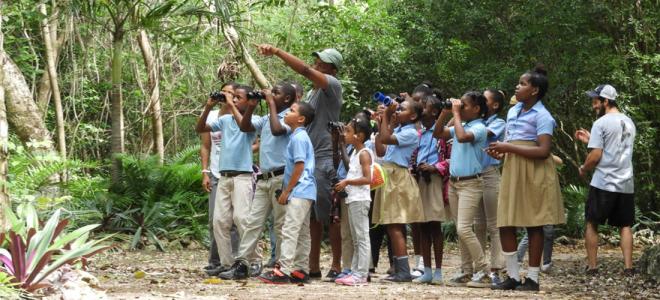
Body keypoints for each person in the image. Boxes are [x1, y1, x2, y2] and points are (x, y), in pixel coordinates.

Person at [257, 44, 344, 280]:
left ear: (332, 70)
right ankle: (308, 267)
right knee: (310, 218)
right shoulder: (311, 96)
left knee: (331, 215)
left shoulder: (332, 86)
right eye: (316, 61)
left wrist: (277, 51)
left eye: (322, 63)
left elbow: (304, 70)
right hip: (310, 159)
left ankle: (337, 265)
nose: (316, 65)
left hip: (325, 157)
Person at [487, 65, 565, 291]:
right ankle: (512, 275)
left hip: (534, 170)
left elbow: (543, 151)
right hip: (512, 167)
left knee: (534, 223)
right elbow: (511, 142)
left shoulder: (543, 116)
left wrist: (508, 147)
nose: (517, 87)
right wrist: (500, 152)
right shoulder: (513, 111)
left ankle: (532, 278)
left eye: (522, 84)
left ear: (534, 90)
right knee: (506, 220)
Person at [218, 82, 297, 280]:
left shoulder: (289, 119)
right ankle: (242, 264)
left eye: (276, 92)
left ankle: (281, 266)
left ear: (286, 99)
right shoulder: (263, 118)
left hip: (281, 177)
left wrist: (269, 102)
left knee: (280, 225)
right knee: (252, 222)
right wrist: (251, 105)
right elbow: (245, 127)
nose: (271, 94)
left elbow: (278, 130)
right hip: (263, 178)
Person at [195, 85, 259, 276]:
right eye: (234, 97)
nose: (234, 100)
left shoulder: (253, 120)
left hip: (242, 176)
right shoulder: (223, 120)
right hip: (223, 176)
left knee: (242, 219)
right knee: (219, 221)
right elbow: (200, 128)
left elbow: (243, 126)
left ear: (249, 101)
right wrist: (208, 107)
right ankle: (227, 263)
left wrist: (230, 105)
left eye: (239, 97)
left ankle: (252, 261)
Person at [575, 84, 636, 277]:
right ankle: (628, 267)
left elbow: (596, 155)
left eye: (595, 101)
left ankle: (593, 267)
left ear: (606, 101)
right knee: (625, 225)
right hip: (626, 182)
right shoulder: (629, 122)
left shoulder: (601, 123)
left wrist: (584, 168)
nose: (593, 105)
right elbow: (615, 147)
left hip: (604, 182)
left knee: (592, 222)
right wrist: (591, 139)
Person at [433, 91, 490, 288]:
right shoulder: (462, 124)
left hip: (471, 183)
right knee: (461, 229)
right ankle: (466, 271)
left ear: (476, 109)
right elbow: (437, 133)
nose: (461, 107)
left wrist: (455, 114)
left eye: (464, 105)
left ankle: (484, 272)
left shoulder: (480, 127)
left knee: (464, 228)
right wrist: (445, 112)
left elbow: (463, 137)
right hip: (455, 183)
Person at [258, 102, 317, 284]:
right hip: (307, 190)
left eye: (292, 110)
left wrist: (287, 191)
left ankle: (283, 270)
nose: (287, 112)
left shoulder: (299, 138)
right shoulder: (297, 136)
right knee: (303, 232)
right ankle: (300, 269)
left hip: (300, 189)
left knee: (290, 229)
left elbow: (299, 166)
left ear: (301, 119)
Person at [373, 100, 424, 282]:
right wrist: (382, 123)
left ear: (413, 116)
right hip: (390, 175)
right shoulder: (400, 131)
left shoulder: (410, 133)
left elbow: (386, 139)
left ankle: (403, 271)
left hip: (397, 177)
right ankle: (398, 268)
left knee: (394, 224)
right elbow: (380, 150)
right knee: (391, 224)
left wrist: (387, 115)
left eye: (402, 109)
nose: (397, 110)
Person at [200, 82, 240, 273]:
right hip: (216, 172)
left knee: (233, 220)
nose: (225, 95)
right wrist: (205, 171)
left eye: (230, 93)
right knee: (214, 219)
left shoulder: (240, 115)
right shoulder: (213, 116)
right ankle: (215, 260)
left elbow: (255, 142)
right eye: (223, 92)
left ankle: (232, 261)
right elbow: (205, 145)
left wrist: (242, 151)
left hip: (237, 171)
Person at [333, 114, 374, 286]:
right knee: (357, 238)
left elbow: (368, 178)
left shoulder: (364, 153)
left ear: (360, 135)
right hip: (353, 199)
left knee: (362, 237)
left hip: (360, 199)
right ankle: (356, 272)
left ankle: (361, 274)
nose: (345, 134)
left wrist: (347, 181)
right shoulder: (356, 153)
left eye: (349, 131)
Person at [412, 94, 447, 285]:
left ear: (434, 112)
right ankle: (426, 270)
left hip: (434, 180)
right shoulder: (419, 133)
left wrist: (435, 167)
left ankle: (439, 271)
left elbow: (450, 157)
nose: (419, 107)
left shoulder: (443, 133)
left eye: (423, 105)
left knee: (434, 226)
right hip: (420, 180)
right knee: (422, 226)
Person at [474, 89, 506, 284]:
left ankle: (496, 268)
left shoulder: (498, 123)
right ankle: (481, 268)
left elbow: (483, 134)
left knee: (494, 225)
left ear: (494, 105)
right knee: (478, 224)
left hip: (490, 174)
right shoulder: (476, 123)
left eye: (484, 100)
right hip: (475, 176)